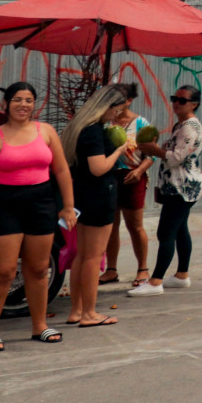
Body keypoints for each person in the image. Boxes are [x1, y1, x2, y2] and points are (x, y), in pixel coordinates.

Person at [0, 82, 76, 349]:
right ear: (6, 103)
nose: (23, 105)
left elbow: (62, 171)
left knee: (40, 269)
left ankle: (39, 325)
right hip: (5, 206)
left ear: (34, 104)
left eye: (29, 100)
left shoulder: (47, 132)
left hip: (41, 203)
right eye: (17, 99)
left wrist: (67, 206)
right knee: (3, 271)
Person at [64, 85, 131, 328]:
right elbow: (98, 167)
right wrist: (119, 151)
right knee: (93, 257)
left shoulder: (80, 128)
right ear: (107, 106)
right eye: (117, 110)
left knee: (82, 255)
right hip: (98, 196)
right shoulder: (93, 132)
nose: (118, 116)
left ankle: (76, 310)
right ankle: (89, 313)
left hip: (83, 196)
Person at [131, 86, 202, 295]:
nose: (176, 103)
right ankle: (182, 275)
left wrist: (153, 150)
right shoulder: (181, 125)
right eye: (174, 98)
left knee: (166, 232)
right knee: (180, 230)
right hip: (178, 186)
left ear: (194, 104)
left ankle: (155, 281)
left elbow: (175, 157)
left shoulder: (190, 128)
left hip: (182, 188)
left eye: (182, 100)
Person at [101, 82, 155, 289]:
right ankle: (111, 269)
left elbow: (151, 154)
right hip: (110, 177)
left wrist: (139, 171)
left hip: (133, 177)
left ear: (129, 101)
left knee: (135, 225)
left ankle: (143, 268)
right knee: (110, 226)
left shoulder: (142, 124)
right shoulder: (106, 123)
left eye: (119, 100)